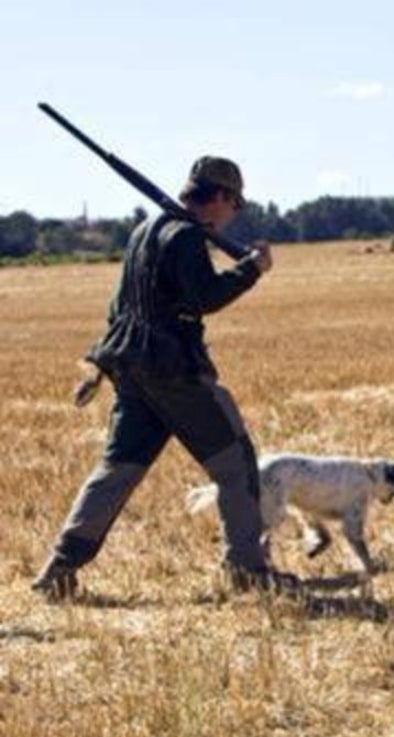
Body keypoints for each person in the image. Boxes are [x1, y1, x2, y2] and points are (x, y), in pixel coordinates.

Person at [31, 156, 297, 599]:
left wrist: (101, 366)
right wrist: (251, 269)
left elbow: (119, 308)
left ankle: (58, 570)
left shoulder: (144, 231)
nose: (234, 215)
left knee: (117, 471)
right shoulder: (187, 236)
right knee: (236, 464)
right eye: (235, 205)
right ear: (220, 197)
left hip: (131, 371)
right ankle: (247, 570)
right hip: (174, 372)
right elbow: (203, 297)